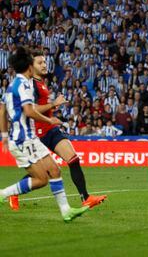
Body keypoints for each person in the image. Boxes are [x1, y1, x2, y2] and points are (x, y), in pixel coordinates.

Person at [8, 50, 107, 211]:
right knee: (44, 174)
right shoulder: (31, 84)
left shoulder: (40, 82)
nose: (44, 65)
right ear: (31, 67)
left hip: (50, 128)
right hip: (39, 133)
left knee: (73, 159)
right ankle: (14, 192)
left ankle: (86, 198)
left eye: (45, 62)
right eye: (40, 63)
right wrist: (54, 104)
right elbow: (32, 109)